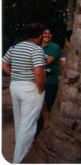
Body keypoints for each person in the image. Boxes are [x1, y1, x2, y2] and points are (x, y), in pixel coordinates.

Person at [2, 23, 46, 163]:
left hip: (15, 86)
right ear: (38, 35)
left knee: (20, 123)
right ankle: (18, 160)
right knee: (28, 126)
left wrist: (15, 74)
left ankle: (21, 153)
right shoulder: (36, 49)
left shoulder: (14, 47)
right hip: (30, 88)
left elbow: (3, 64)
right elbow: (38, 72)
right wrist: (41, 88)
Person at [41, 27, 61, 111]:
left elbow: (46, 61)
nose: (47, 35)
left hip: (50, 82)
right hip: (37, 81)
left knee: (49, 107)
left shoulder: (54, 47)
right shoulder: (36, 46)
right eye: (44, 33)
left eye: (49, 33)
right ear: (40, 35)